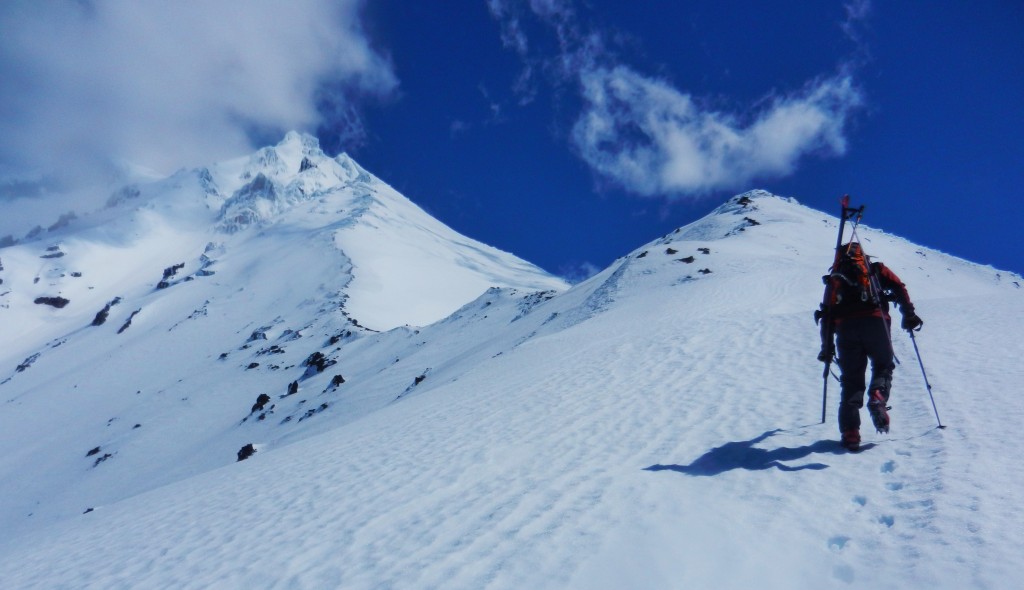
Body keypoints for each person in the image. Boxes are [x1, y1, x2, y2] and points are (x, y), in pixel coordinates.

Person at [817, 242, 923, 451]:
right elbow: (899, 286)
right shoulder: (875, 269)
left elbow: (826, 315)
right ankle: (878, 395)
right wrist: (908, 314)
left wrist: (827, 348)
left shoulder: (834, 279)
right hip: (876, 322)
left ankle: (850, 433)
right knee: (883, 365)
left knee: (851, 381)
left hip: (846, 329)